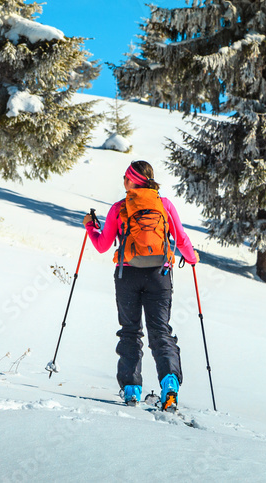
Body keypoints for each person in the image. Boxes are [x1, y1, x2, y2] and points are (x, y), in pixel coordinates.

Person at [83, 160, 199, 411]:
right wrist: (191, 258)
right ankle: (170, 386)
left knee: (131, 331)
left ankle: (131, 389)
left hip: (128, 276)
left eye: (126, 177)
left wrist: (91, 228)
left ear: (132, 180)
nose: (123, 181)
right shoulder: (164, 205)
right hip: (160, 275)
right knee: (160, 332)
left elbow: (103, 245)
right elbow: (180, 238)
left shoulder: (120, 208)